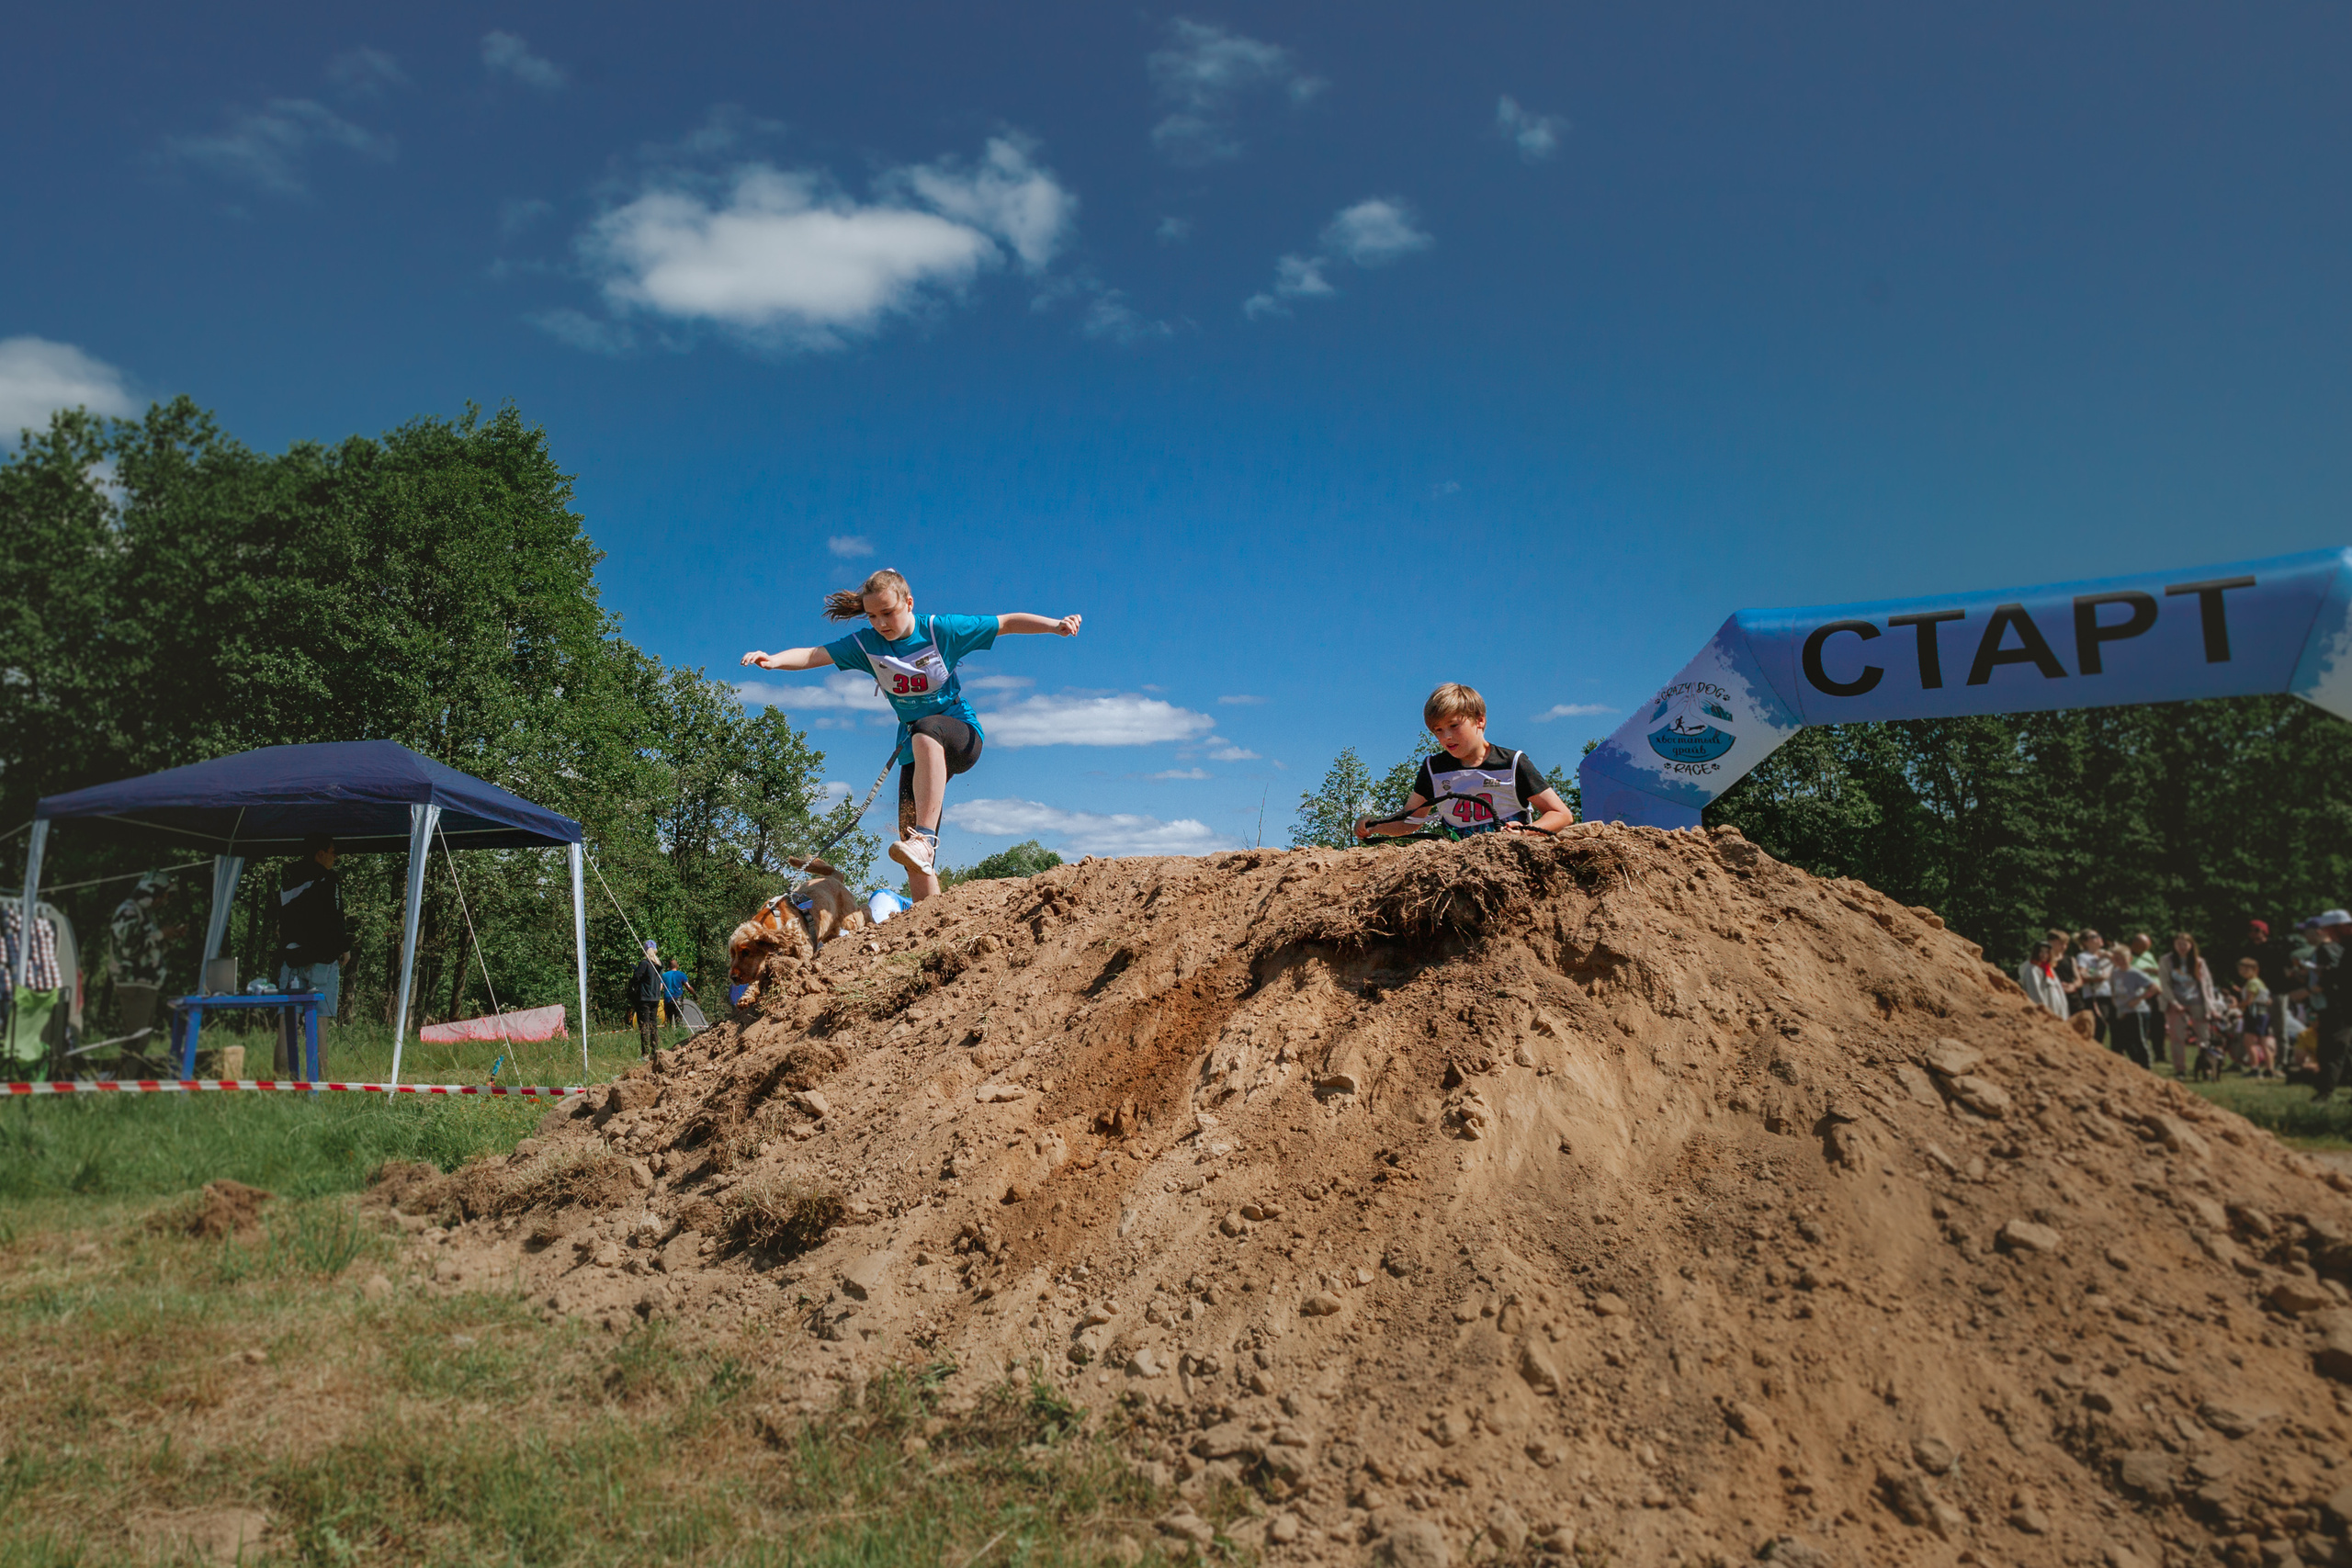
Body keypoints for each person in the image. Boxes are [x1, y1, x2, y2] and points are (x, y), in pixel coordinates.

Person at [740, 568, 1081, 902]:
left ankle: (927, 837)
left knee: (925, 732)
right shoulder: (868, 645)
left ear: (909, 603)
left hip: (960, 736)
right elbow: (817, 655)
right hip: (915, 751)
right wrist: (774, 660)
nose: (881, 624)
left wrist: (1056, 626)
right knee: (908, 843)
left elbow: (1004, 622)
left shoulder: (940, 630)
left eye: (888, 613)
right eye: (872, 617)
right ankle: (927, 921)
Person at [1354, 683, 1576, 841]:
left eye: (1453, 725)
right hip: (1458, 867)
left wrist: (1526, 831)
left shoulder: (1513, 763)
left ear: (1480, 720)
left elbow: (1562, 815)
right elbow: (1411, 821)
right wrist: (1375, 826)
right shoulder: (1434, 769)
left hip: (1511, 860)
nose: (1445, 737)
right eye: (1438, 730)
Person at [275, 835, 350, 1074]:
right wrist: (344, 947)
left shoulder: (287, 878)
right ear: (320, 853)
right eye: (332, 852)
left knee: (287, 1021)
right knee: (319, 1023)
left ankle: (280, 1079)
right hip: (321, 961)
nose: (335, 857)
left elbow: (280, 919)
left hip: (291, 958)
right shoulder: (328, 878)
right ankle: (319, 1079)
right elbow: (335, 916)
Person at [107, 873, 184, 1035]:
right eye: (162, 895)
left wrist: (170, 938)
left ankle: (133, 1061)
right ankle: (129, 1061)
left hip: (145, 984)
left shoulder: (144, 914)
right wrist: (161, 934)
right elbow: (129, 949)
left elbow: (151, 951)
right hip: (133, 983)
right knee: (136, 1037)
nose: (164, 901)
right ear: (150, 892)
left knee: (142, 1036)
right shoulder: (128, 912)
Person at [2298, 912, 2352, 1100]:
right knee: (2339, 1045)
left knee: (2334, 1045)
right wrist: (2328, 972)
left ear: (2341, 927)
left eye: (2329, 929)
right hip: (2343, 1002)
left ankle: (2324, 1091)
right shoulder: (2344, 945)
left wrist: (2325, 976)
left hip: (2342, 1004)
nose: (2327, 933)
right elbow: (2343, 971)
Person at [2157, 932, 2222, 1079]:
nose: (2182, 947)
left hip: (2197, 1001)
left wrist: (2212, 1007)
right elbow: (2164, 984)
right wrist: (2174, 1003)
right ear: (2174, 945)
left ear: (2191, 945)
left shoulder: (2199, 962)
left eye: (2185, 944)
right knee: (2177, 1037)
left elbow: (2208, 985)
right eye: (2179, 944)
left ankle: (2205, 1066)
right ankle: (2180, 1069)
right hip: (2176, 1002)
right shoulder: (2166, 961)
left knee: (2204, 1037)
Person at [2109, 954, 2158, 1070]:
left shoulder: (2135, 973)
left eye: (2123, 958)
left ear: (2130, 959)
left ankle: (2146, 1067)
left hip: (2137, 1011)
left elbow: (2155, 988)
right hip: (2122, 1010)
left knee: (2139, 1040)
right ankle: (2136, 1066)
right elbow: (2114, 987)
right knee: (2126, 1041)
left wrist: (2139, 999)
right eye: (2117, 959)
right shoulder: (2115, 973)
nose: (2120, 962)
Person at [2234, 955, 2277, 1077]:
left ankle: (2255, 1068)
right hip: (2263, 1014)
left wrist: (2235, 1006)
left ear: (2255, 970)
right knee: (2264, 1042)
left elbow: (2248, 1001)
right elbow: (2267, 999)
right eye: (2241, 970)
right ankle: (2269, 1069)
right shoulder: (2260, 982)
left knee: (2249, 1041)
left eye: (2246, 970)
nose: (2243, 972)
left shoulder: (2252, 983)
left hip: (2254, 1015)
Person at [2073, 929, 2115, 1045]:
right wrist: (2098, 978)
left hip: (2112, 994)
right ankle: (2096, 1051)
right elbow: (2082, 975)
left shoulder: (2106, 954)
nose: (2099, 938)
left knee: (2116, 1026)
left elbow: (2124, 964)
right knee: (2100, 1026)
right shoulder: (2083, 957)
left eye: (2099, 935)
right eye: (2094, 936)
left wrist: (2110, 956)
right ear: (2086, 942)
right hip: (2096, 995)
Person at [630, 940, 665, 1057]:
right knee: (653, 1025)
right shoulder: (659, 964)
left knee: (644, 1025)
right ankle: (654, 1050)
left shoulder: (645, 963)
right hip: (655, 998)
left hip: (644, 998)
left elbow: (636, 978)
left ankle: (645, 1053)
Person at [2018, 940, 2068, 1020]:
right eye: (2041, 951)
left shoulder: (2049, 969)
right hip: (2046, 1008)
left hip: (2056, 1008)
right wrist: (2043, 1010)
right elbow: (2035, 992)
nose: (2044, 955)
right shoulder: (2032, 969)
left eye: (2047, 952)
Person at [661, 957, 695, 1025]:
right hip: (678, 999)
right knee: (679, 1021)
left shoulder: (664, 975)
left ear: (669, 967)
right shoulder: (681, 975)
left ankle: (669, 1033)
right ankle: (679, 1033)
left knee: (669, 1021)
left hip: (668, 999)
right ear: (677, 966)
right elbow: (688, 987)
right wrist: (694, 994)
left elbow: (660, 987)